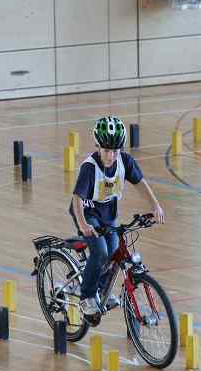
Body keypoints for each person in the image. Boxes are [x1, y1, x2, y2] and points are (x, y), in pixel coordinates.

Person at [69, 116, 165, 318]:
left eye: (115, 150)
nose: (111, 155)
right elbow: (77, 199)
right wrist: (83, 224)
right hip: (87, 213)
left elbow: (140, 183)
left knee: (114, 252)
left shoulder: (125, 162)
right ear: (97, 146)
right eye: (106, 150)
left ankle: (101, 291)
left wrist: (155, 205)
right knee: (101, 251)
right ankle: (86, 296)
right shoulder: (90, 168)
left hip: (108, 213)